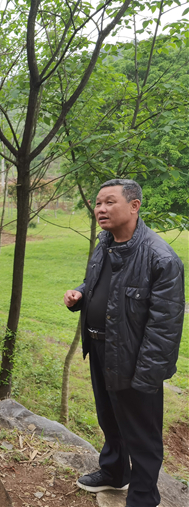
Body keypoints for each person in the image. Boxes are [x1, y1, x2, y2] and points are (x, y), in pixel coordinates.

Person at [64, 179, 185, 507]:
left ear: (134, 206)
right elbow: (97, 283)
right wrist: (81, 294)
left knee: (142, 435)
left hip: (136, 359)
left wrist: (147, 377)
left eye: (109, 202)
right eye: (98, 202)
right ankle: (115, 472)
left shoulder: (161, 259)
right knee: (109, 419)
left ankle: (144, 497)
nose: (100, 209)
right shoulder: (104, 244)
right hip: (101, 348)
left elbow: (166, 327)